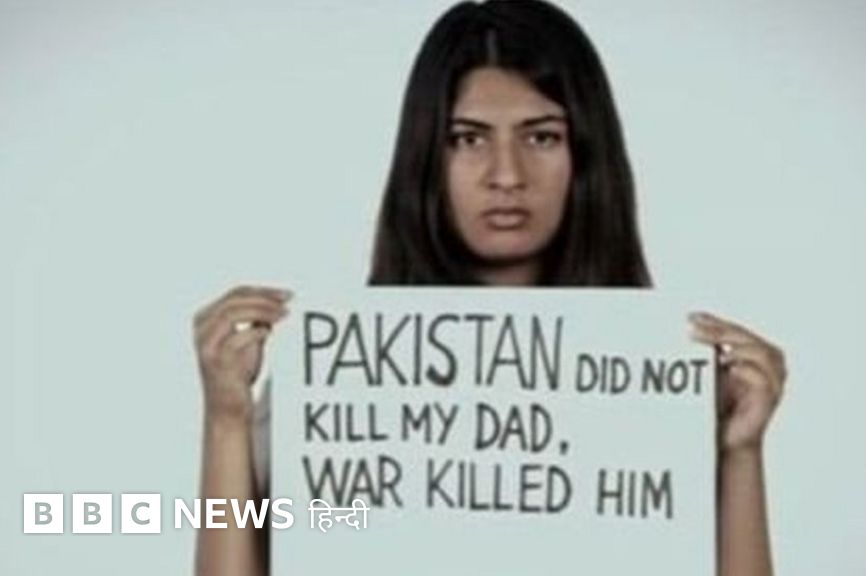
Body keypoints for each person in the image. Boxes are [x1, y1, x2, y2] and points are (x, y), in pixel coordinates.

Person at [191, 1, 787, 575]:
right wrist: (225, 419)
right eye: (468, 139)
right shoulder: (335, 390)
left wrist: (741, 452)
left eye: (542, 137)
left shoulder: (665, 392)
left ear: (585, 155)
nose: (506, 175)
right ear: (427, 157)